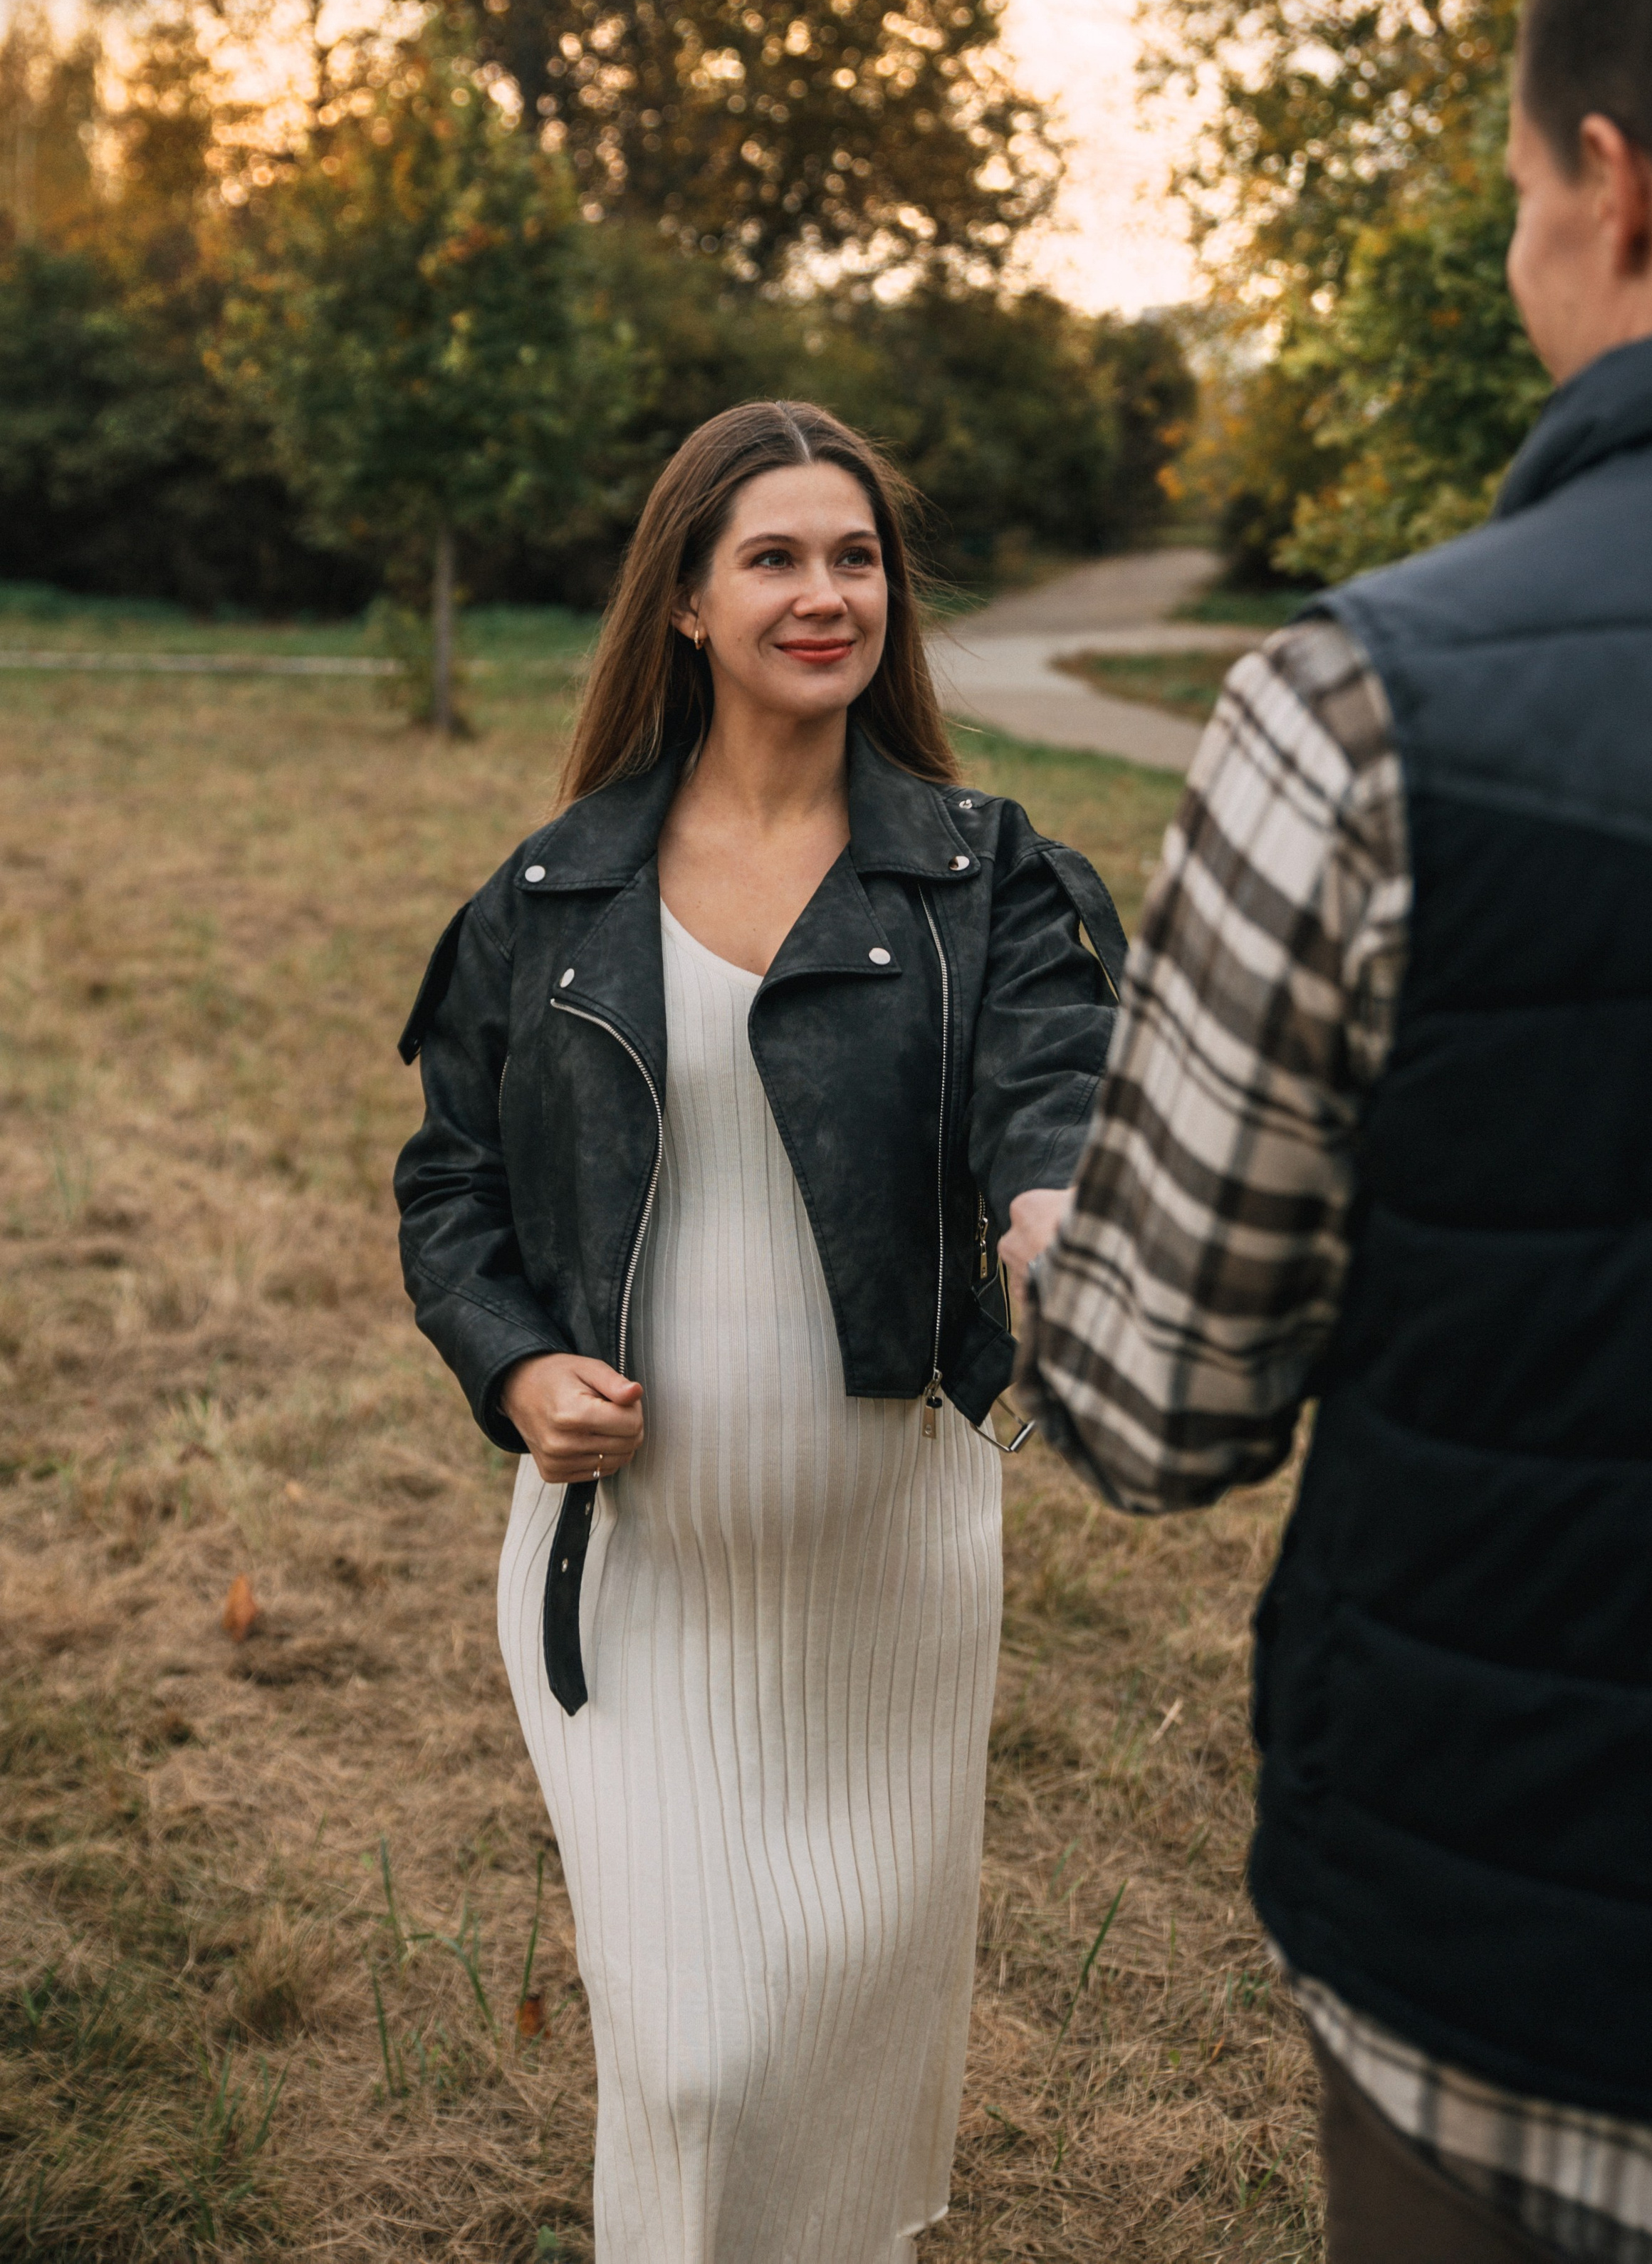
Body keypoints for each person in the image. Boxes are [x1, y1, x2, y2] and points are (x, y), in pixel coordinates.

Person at [1007, 0, 1652, 2264]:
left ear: (1613, 184)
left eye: (1509, 198)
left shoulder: (1365, 710)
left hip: (1527, 1986)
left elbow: (1162, 1412)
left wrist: (1059, 1234)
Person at [394, 402, 1124, 2263]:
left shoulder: (981, 877)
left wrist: (1057, 1214)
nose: (828, 593)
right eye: (777, 559)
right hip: (628, 1584)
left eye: (856, 556)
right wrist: (514, 1362)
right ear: (690, 609)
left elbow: (1056, 1086)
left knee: (835, 2071)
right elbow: (450, 1183)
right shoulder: (556, 896)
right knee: (705, 2061)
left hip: (891, 1582)